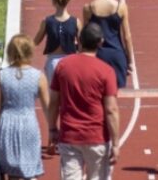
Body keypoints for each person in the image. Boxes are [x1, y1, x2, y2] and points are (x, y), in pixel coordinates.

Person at [48, 23, 121, 180]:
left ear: (78, 40)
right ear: (100, 42)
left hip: (69, 136)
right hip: (97, 137)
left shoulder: (63, 66)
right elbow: (111, 110)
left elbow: (54, 101)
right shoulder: (106, 71)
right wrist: (115, 143)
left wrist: (52, 128)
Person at [0, 34, 49, 180]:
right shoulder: (38, 76)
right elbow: (47, 106)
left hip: (7, 124)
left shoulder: (1, 75)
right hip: (29, 123)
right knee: (30, 169)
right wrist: (53, 128)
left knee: (12, 172)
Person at [84, 0, 134, 88]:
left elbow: (84, 37)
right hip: (117, 56)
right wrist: (130, 61)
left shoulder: (88, 8)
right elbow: (127, 36)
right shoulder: (121, 7)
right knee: (114, 97)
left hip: (97, 56)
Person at [34, 0, 79, 79]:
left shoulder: (47, 21)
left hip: (53, 63)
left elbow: (36, 41)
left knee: (52, 92)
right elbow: (83, 45)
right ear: (68, 0)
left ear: (53, 1)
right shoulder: (76, 22)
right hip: (71, 62)